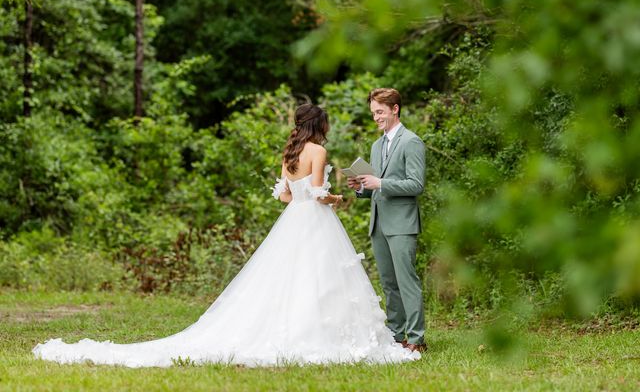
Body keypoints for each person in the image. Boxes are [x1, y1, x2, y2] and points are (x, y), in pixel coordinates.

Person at [33, 103, 420, 367]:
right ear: (320, 126)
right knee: (319, 278)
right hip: (315, 223)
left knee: (285, 279)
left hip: (292, 223)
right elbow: (318, 195)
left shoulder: (290, 152)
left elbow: (287, 196)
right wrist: (336, 196)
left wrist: (309, 194)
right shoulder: (317, 150)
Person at [347, 88, 427, 353]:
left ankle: (416, 338)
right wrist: (361, 187)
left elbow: (416, 184)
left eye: (379, 112)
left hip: (402, 222)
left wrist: (379, 182)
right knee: (389, 284)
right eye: (372, 113)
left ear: (395, 109)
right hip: (379, 223)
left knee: (407, 281)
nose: (376, 118)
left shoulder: (411, 141)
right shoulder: (376, 145)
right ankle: (396, 335)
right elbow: (375, 187)